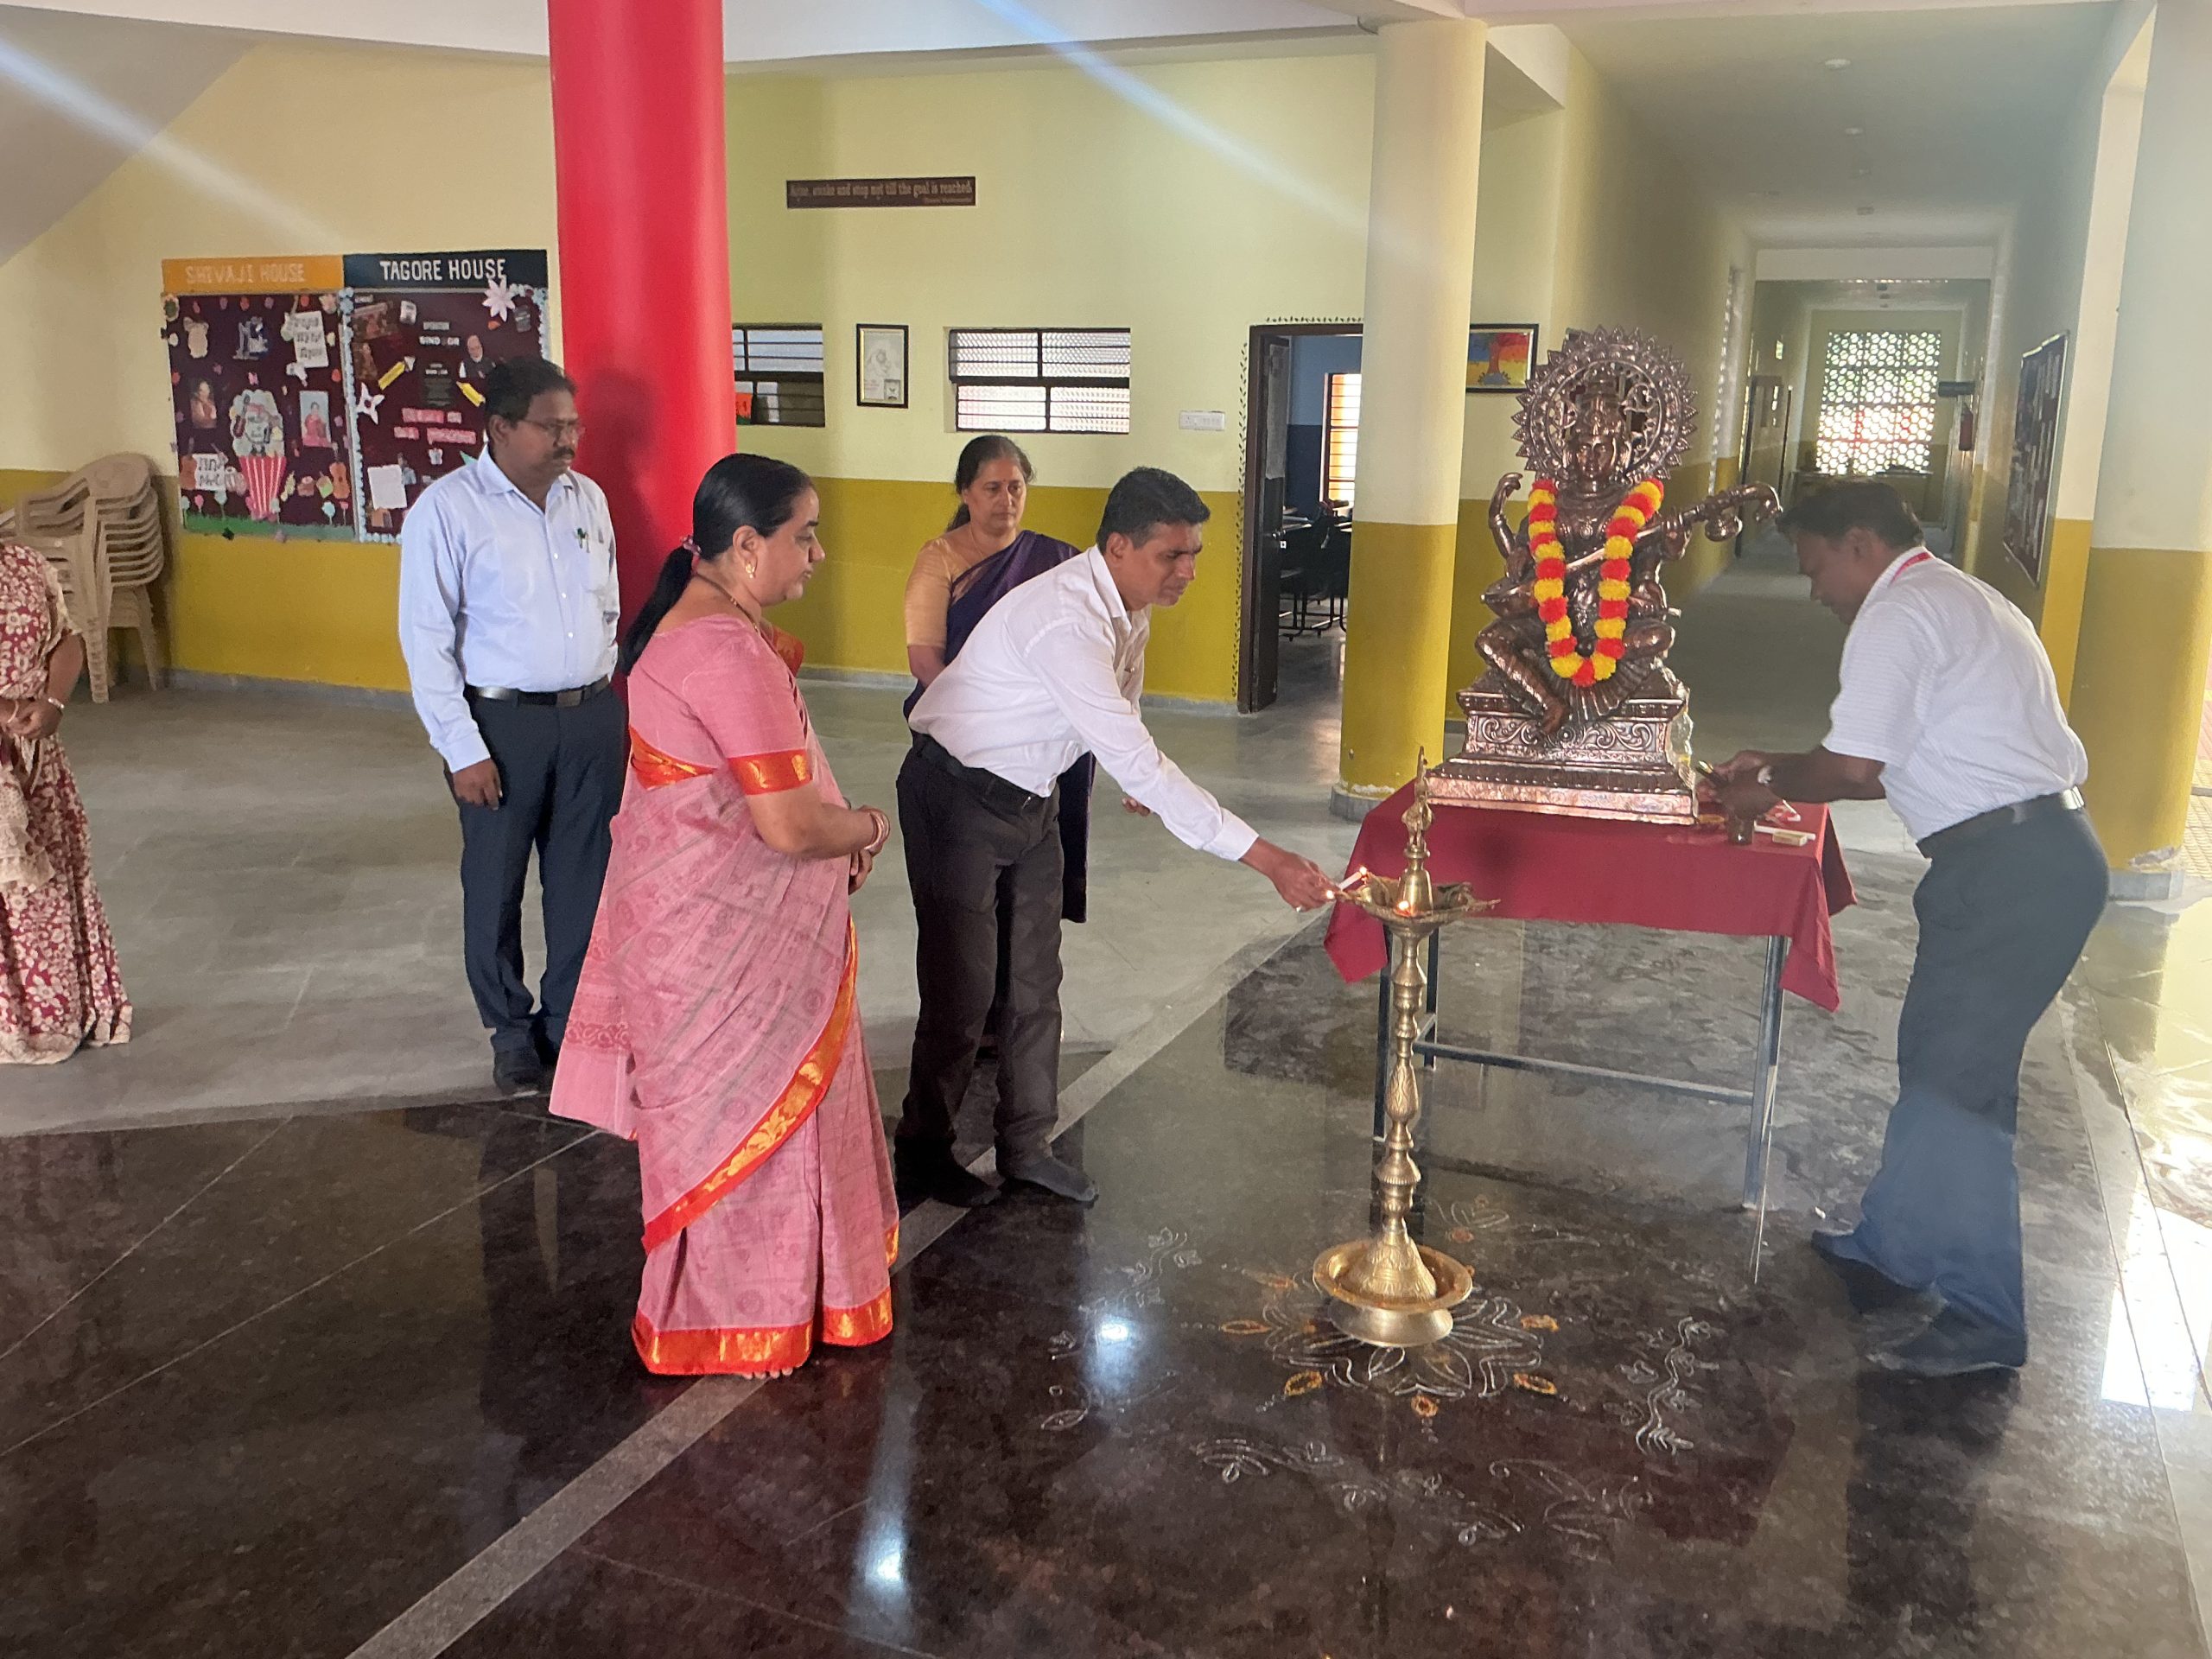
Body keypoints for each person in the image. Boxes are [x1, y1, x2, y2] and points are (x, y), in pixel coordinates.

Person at [1711, 480, 2105, 1377]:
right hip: (2030, 856)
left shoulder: (1895, 615)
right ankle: (1896, 1245)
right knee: (1939, 1063)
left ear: (1858, 543)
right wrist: (1778, 763)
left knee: (1957, 1086)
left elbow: (1855, 769)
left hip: (2008, 871)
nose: (1815, 589)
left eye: (1815, 567)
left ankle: (1983, 1314)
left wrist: (1765, 787)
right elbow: (1893, 759)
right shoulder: (1962, 596)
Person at [898, 466, 1334, 1209]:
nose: (1188, 571)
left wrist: (1130, 771)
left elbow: (1122, 710)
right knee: (963, 990)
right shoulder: (1067, 620)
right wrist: (1268, 858)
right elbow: (1141, 758)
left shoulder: (1127, 604)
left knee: (1035, 984)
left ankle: (1026, 1146)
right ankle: (922, 1151)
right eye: (1172, 555)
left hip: (1032, 801)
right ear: (1120, 547)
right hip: (958, 799)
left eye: (1194, 554)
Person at [550, 454, 899, 1378]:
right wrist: (868, 825)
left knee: (723, 1122)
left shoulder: (690, 626)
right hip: (729, 951)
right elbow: (789, 826)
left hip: (690, 937)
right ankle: (755, 1318)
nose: (818, 554)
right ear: (746, 545)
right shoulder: (725, 651)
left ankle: (760, 1306)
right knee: (756, 1118)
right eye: (805, 536)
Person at [397, 356, 624, 1096]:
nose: (568, 440)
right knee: (495, 884)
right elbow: (426, 640)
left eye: (573, 425)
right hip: (500, 725)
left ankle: (566, 1021)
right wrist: (461, 747)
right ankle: (510, 1030)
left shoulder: (587, 499)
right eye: (551, 427)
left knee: (583, 881)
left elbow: (607, 603)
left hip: (589, 717)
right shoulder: (448, 511)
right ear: (499, 427)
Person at [904, 435, 1096, 1039]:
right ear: (966, 493)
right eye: (992, 488)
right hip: (964, 750)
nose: (1006, 500)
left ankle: (1012, 1013)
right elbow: (924, 659)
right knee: (965, 912)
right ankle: (968, 1023)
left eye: (1016, 487)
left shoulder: (1055, 559)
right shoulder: (940, 559)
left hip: (1037, 752)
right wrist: (990, 716)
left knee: (1028, 902)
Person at [0, 542, 130, 1062]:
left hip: (36, 761)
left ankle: (54, 1013)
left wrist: (53, 702)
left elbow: (67, 638)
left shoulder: (25, 564)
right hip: (11, 738)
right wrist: (9, 709)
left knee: (48, 886)